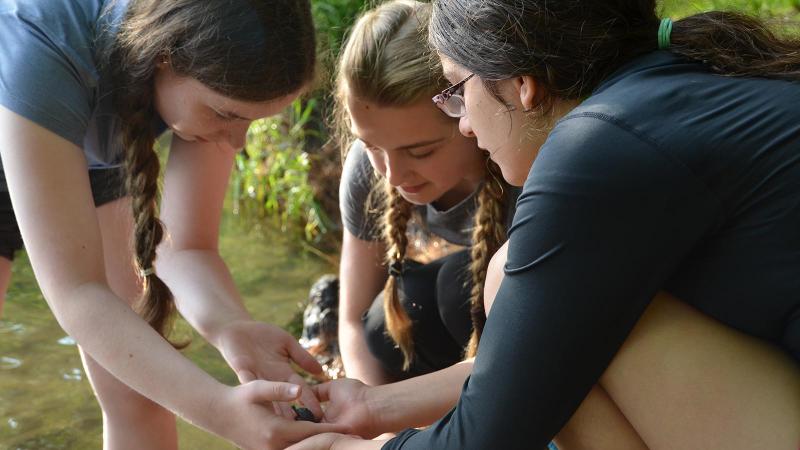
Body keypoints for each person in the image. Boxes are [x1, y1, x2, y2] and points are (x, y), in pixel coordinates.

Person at [289, 1, 800, 449]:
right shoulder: (669, 84)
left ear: (521, 86)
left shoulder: (596, 148)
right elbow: (530, 368)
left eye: (455, 90)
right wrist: (373, 410)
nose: (463, 121)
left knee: (512, 280)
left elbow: (488, 436)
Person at [0, 1, 344, 449]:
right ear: (165, 57)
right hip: (24, 112)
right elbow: (77, 293)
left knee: (141, 393)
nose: (238, 142)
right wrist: (221, 413)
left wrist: (229, 325)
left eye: (253, 121)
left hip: (93, 142)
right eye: (228, 115)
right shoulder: (44, 43)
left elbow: (187, 247)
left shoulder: (213, 57)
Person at [334, 0, 517, 385]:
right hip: (475, 358)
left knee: (460, 289)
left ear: (467, 113)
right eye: (371, 147)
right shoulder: (372, 169)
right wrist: (368, 412)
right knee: (388, 320)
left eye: (421, 151)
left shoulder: (518, 168)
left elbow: (535, 350)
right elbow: (349, 320)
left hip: (531, 340)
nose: (394, 174)